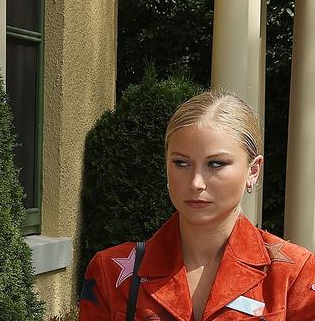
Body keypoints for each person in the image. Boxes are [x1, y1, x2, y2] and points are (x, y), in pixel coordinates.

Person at [79, 90, 315, 320]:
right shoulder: (110, 272)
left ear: (253, 170)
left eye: (215, 164)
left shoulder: (293, 275)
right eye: (181, 163)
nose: (196, 183)